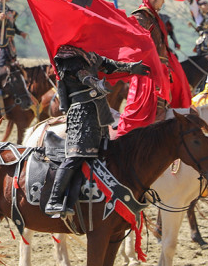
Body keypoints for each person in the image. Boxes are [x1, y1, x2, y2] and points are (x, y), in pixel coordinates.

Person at [45, 45, 150, 217]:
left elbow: (109, 65)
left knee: (106, 153)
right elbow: (81, 75)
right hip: (81, 113)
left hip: (99, 113)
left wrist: (132, 68)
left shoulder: (90, 55)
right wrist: (96, 84)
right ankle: (54, 200)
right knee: (75, 156)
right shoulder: (67, 56)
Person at [131, 0, 175, 119]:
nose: (163, 1)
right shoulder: (140, 18)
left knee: (161, 111)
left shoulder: (153, 18)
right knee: (152, 114)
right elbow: (136, 48)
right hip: (149, 75)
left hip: (160, 72)